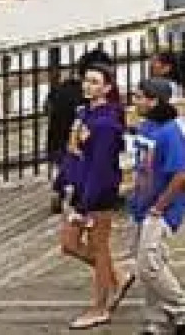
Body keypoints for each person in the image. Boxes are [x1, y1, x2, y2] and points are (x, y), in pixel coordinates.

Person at [60, 63, 132, 330]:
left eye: (94, 82)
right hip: (80, 187)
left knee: (99, 246)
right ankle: (117, 275)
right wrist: (66, 182)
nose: (88, 86)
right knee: (69, 243)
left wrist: (86, 205)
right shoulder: (84, 114)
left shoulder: (106, 124)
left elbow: (100, 167)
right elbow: (74, 151)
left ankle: (100, 306)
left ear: (107, 87)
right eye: (86, 81)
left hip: (97, 193)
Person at [128, 77, 185, 334]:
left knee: (148, 264)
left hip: (161, 207)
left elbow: (181, 175)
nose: (134, 101)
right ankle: (157, 320)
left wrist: (160, 206)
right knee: (149, 260)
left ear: (153, 101)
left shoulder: (170, 132)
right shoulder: (146, 127)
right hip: (143, 203)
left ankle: (184, 307)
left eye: (139, 97)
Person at [46, 47, 117, 215]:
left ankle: (61, 190)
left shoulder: (63, 88)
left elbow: (48, 107)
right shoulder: (93, 98)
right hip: (78, 146)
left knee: (70, 162)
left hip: (56, 143)